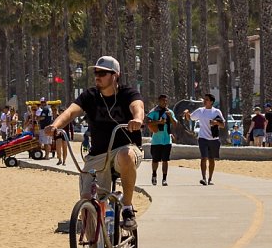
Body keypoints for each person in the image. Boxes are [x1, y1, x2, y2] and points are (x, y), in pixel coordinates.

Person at [46, 55, 144, 230]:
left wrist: (137, 119)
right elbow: (70, 112)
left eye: (103, 73)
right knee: (87, 201)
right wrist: (55, 125)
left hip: (125, 148)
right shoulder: (90, 96)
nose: (97, 76)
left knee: (126, 155)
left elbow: (138, 107)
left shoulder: (127, 93)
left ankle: (128, 209)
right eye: (96, 72)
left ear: (115, 75)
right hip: (98, 154)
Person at [183, 94, 225, 185]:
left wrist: (216, 122)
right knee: (203, 158)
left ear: (211, 102)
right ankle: (204, 178)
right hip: (202, 138)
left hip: (214, 139)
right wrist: (187, 114)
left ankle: (210, 179)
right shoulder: (200, 111)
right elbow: (190, 118)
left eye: (206, 100)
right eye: (204, 99)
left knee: (211, 159)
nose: (204, 101)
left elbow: (223, 125)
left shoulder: (216, 112)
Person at [146, 94, 178, 186]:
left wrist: (170, 116)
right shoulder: (154, 111)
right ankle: (154, 175)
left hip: (167, 140)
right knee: (155, 160)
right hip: (156, 140)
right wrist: (158, 122)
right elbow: (147, 121)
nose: (165, 102)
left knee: (165, 160)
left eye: (166, 101)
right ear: (159, 101)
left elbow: (175, 124)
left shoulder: (169, 112)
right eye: (163, 100)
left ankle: (164, 179)